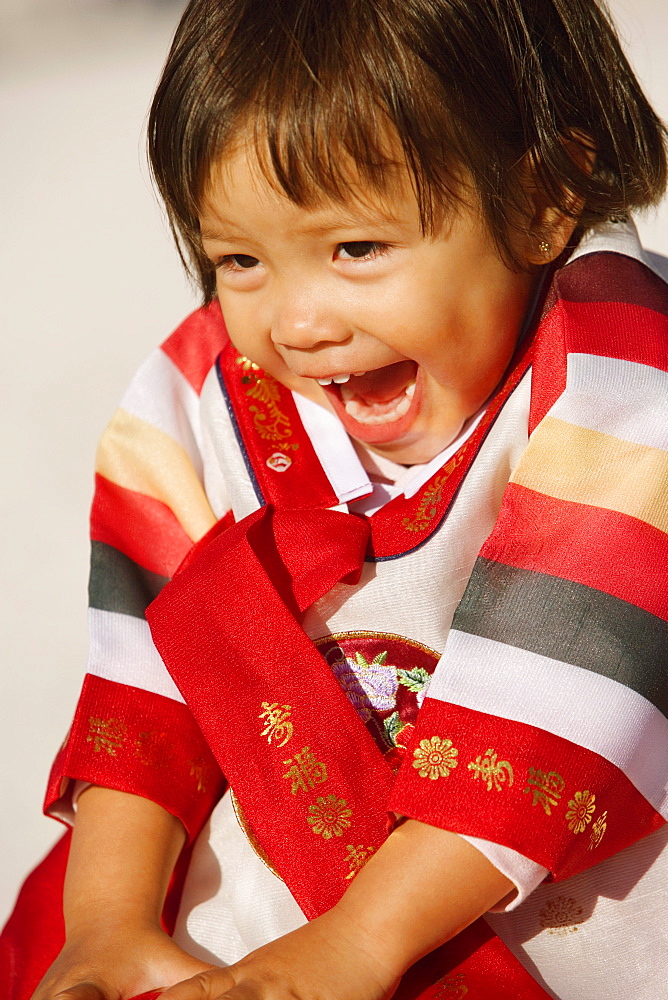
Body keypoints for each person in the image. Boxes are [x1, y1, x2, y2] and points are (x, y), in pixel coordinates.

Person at [2, 1, 667, 998]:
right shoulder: (208, 397)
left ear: (542, 196)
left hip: (539, 903)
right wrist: (108, 922)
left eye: (356, 249)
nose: (297, 323)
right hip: (275, 901)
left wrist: (359, 941)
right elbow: (147, 676)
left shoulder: (621, 373)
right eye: (240, 261)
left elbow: (569, 683)